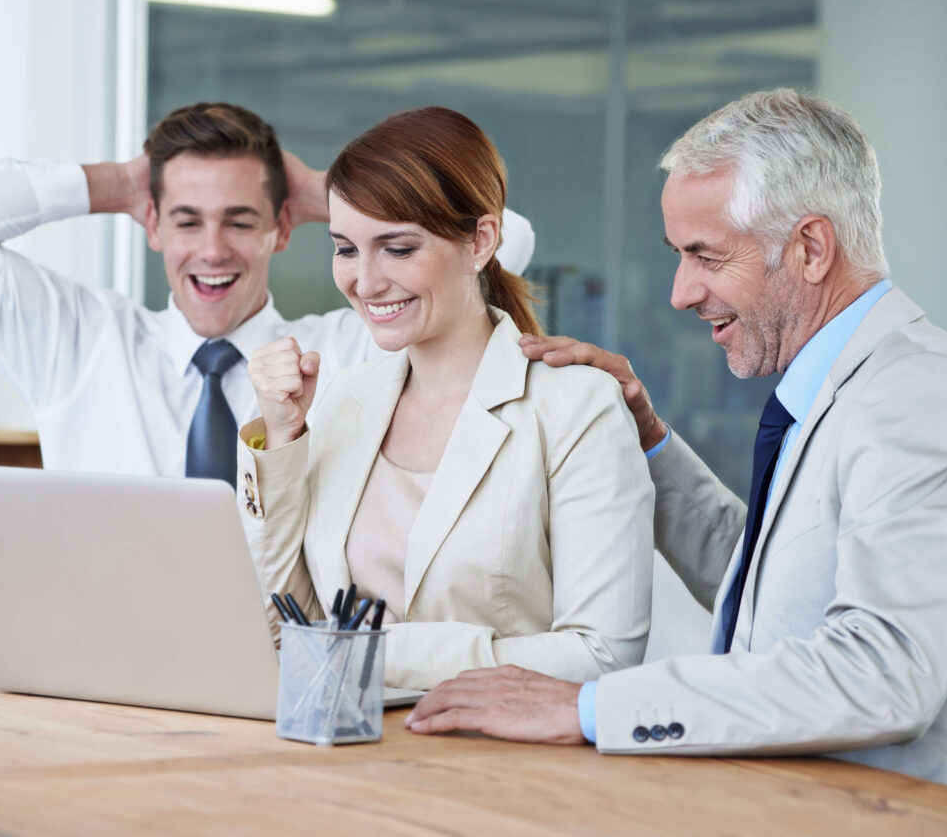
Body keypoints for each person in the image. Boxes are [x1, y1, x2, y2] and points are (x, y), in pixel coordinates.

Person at [406, 89, 947, 786]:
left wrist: (591, 706)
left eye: (706, 255)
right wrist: (648, 441)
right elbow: (774, 592)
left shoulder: (917, 395)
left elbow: (883, 670)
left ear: (811, 248)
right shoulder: (837, 391)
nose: (681, 291)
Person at [236, 107, 655, 691]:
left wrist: (377, 653)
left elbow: (604, 655)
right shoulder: (344, 400)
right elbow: (288, 632)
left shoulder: (577, 408)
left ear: (481, 241)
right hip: (345, 761)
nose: (366, 280)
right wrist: (281, 438)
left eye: (398, 249)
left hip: (500, 768)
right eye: (346, 249)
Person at [0, 102, 535, 484]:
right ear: (152, 224)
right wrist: (118, 183)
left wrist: (335, 195)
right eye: (188, 219)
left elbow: (502, 243)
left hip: (286, 664)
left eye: (241, 220)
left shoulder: (348, 351)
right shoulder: (80, 343)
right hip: (115, 670)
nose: (214, 249)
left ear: (281, 227)